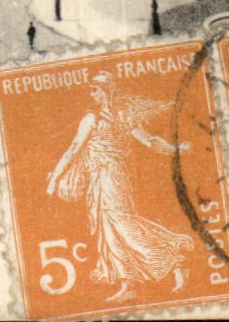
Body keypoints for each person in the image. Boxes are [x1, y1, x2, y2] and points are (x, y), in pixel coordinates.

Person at [46, 72, 194, 304]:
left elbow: (74, 150)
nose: (91, 94)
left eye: (95, 90)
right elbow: (151, 142)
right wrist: (176, 149)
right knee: (111, 230)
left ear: (105, 91)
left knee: (120, 225)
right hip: (105, 177)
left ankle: (172, 259)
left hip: (109, 176)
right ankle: (130, 284)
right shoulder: (119, 116)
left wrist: (55, 179)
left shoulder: (94, 119)